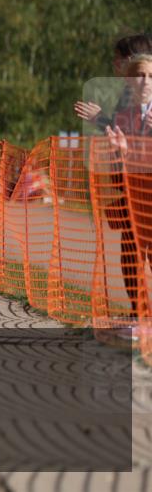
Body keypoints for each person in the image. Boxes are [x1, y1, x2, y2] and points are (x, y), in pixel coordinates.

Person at [104, 54, 152, 318]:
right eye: (140, 75)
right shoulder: (121, 118)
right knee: (130, 261)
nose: (146, 82)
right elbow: (115, 176)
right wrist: (120, 153)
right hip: (133, 202)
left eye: (151, 76)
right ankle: (138, 315)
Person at [75, 33, 152, 129]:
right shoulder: (129, 92)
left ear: (129, 61)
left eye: (117, 58)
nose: (114, 63)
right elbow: (122, 131)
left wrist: (99, 119)